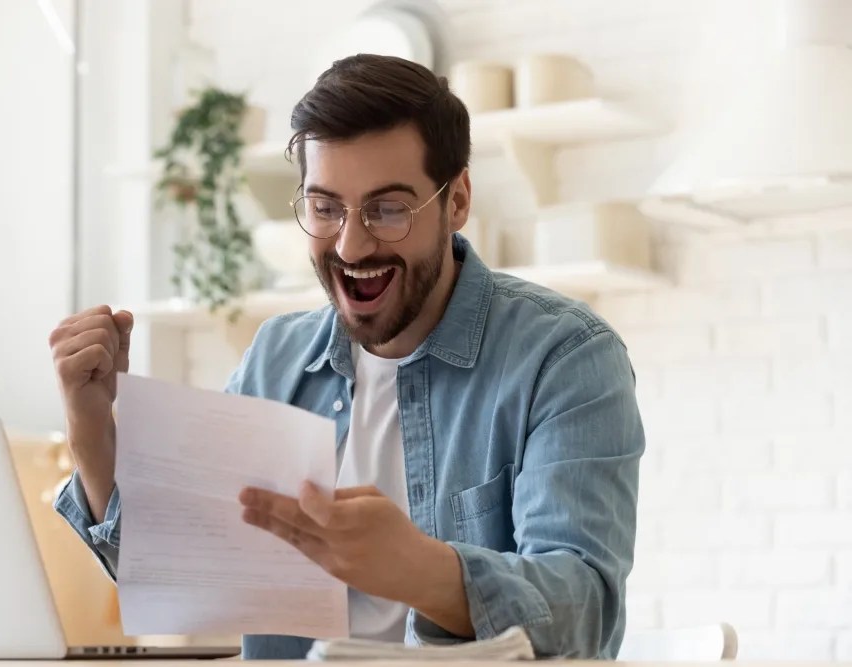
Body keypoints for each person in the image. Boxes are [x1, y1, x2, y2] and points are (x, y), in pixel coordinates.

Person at [50, 53, 644, 660]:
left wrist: (419, 569)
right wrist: (92, 432)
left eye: (388, 209)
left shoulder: (565, 357)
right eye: (325, 207)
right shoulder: (276, 358)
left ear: (457, 199)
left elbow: (585, 614)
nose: (352, 243)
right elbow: (182, 571)